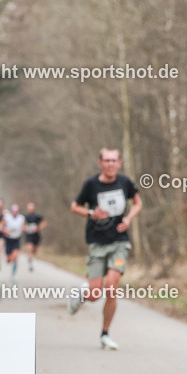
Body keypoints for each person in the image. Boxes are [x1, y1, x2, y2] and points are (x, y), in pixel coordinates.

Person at [67, 148, 142, 350]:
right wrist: (91, 213)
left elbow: (137, 202)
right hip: (97, 244)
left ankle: (105, 333)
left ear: (119, 163)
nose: (110, 164)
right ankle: (83, 294)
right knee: (94, 294)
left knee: (111, 287)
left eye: (113, 160)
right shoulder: (91, 184)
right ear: (100, 163)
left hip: (119, 243)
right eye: (106, 160)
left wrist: (128, 218)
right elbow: (75, 206)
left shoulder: (125, 183)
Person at [2, 204, 26, 283]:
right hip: (8, 239)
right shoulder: (7, 217)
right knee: (9, 259)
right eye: (13, 211)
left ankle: (13, 275)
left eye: (16, 211)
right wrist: (6, 231)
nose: (14, 213)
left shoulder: (21, 218)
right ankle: (9, 257)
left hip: (16, 239)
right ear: (11, 211)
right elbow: (1, 227)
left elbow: (24, 227)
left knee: (15, 257)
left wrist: (23, 229)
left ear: (18, 211)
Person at [23, 202, 46, 271]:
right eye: (29, 208)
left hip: (36, 236)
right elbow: (23, 225)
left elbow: (43, 223)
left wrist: (38, 228)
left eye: (31, 208)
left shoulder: (37, 216)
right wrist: (25, 228)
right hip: (29, 235)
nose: (30, 209)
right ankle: (30, 263)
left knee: (34, 250)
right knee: (29, 248)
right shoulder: (25, 217)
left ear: (34, 208)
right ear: (27, 209)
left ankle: (31, 256)